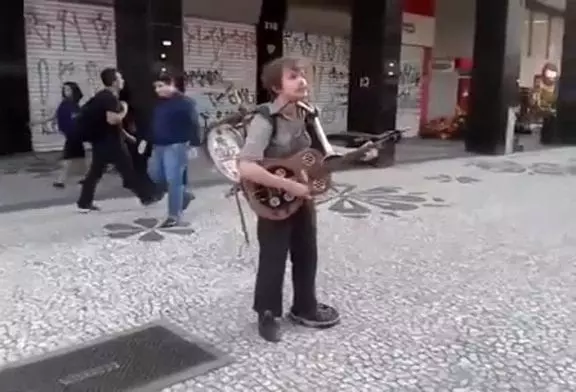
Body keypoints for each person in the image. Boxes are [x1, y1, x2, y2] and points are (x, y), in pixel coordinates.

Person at [236, 57, 340, 342]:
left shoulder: (307, 114)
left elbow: (316, 155)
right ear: (275, 85)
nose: (302, 81)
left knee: (307, 252)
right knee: (274, 256)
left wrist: (359, 154)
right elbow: (245, 166)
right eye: (293, 76)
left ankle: (305, 307)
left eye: (303, 74)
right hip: (273, 199)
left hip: (302, 196)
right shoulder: (265, 119)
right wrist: (287, 185)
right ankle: (267, 314)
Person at [76, 68, 160, 212]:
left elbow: (110, 123)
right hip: (111, 142)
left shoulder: (101, 96)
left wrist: (127, 136)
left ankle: (84, 201)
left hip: (101, 140)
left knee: (95, 173)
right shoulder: (109, 98)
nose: (123, 81)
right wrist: (125, 109)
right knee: (128, 170)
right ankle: (146, 197)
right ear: (114, 82)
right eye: (120, 78)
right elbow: (112, 120)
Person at [148, 71, 199, 227]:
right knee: (155, 175)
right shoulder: (159, 103)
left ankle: (174, 216)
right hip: (158, 145)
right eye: (155, 87)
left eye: (161, 86)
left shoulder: (185, 102)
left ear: (171, 84)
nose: (157, 90)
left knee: (173, 180)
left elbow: (194, 124)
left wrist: (194, 145)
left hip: (176, 146)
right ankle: (184, 196)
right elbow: (156, 123)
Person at [53, 82, 86, 188]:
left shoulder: (74, 104)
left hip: (75, 134)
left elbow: (79, 117)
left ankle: (60, 180)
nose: (65, 92)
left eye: (68, 89)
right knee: (78, 157)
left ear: (73, 91)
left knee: (68, 158)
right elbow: (57, 116)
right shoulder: (65, 104)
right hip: (72, 134)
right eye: (64, 90)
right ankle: (86, 177)